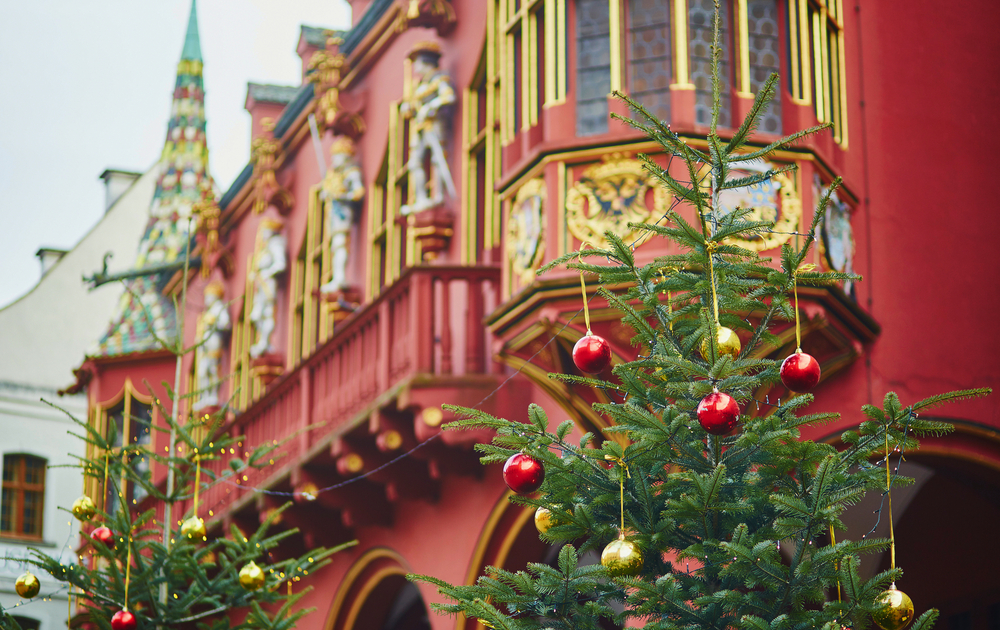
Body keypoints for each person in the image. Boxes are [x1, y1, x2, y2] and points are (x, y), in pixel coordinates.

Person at [400, 41, 456, 215]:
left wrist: (430, 106)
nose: (415, 66)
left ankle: (438, 194)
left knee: (437, 158)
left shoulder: (439, 79)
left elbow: (448, 96)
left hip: (434, 123)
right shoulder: (417, 86)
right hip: (420, 126)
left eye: (417, 62)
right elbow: (411, 108)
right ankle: (421, 197)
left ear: (426, 62)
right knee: (415, 162)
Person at [320, 137, 365, 293]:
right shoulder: (332, 175)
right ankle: (336, 276)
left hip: (343, 213)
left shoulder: (351, 172)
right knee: (335, 245)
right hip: (333, 214)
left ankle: (340, 277)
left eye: (337, 156)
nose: (334, 160)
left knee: (340, 243)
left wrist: (342, 197)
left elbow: (359, 192)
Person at [249, 218, 287, 358]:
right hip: (261, 284)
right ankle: (262, 341)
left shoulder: (275, 243)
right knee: (256, 315)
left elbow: (280, 264)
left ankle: (265, 342)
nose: (262, 234)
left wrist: (267, 273)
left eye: (265, 231)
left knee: (268, 312)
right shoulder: (264, 248)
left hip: (268, 283)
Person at [193, 281, 230, 411]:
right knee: (202, 371)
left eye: (209, 296)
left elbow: (225, 324)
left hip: (214, 342)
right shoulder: (207, 312)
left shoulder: (219, 308)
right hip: (204, 345)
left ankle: (213, 394)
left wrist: (213, 324)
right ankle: (204, 396)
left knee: (213, 368)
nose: (206, 299)